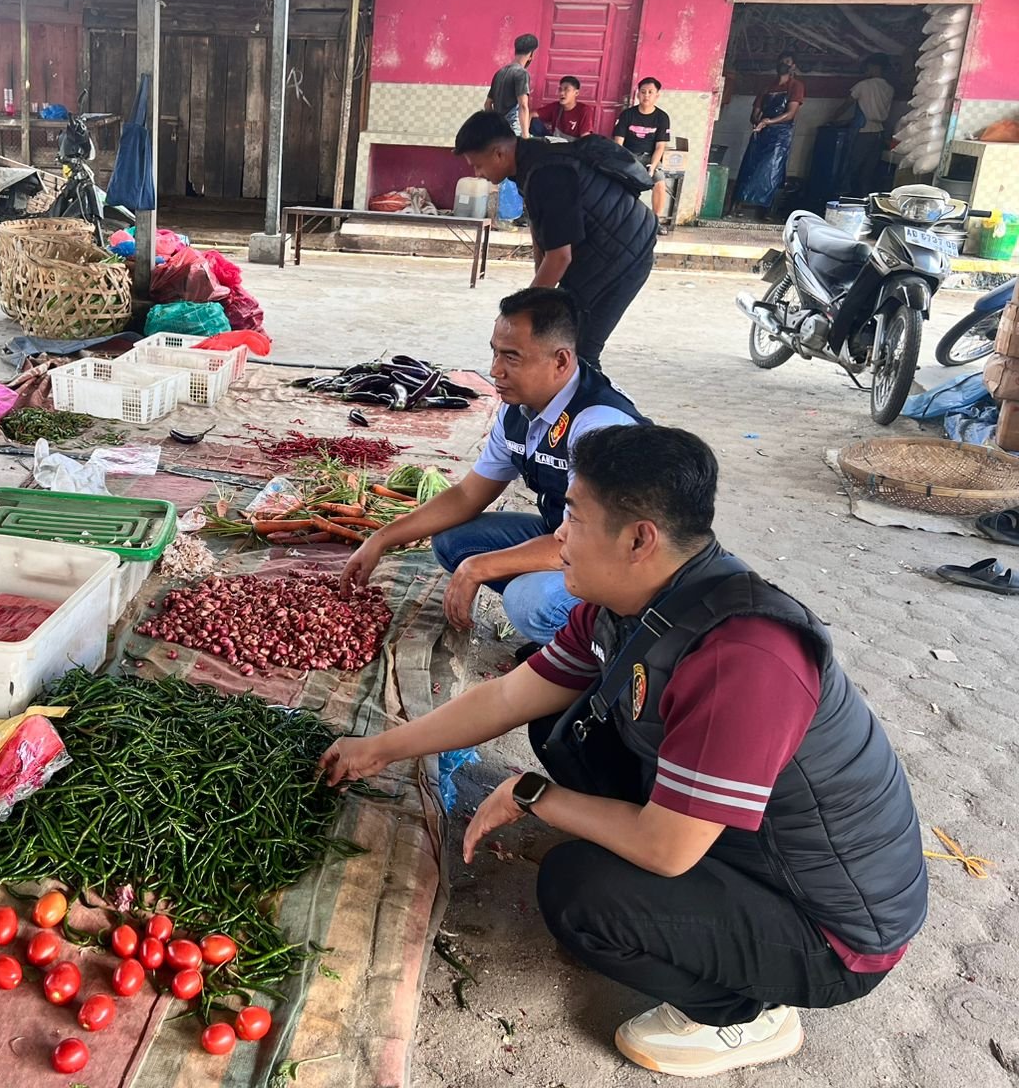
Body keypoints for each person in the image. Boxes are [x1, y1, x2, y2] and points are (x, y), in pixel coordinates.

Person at [322, 424, 927, 1080]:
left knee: (580, 891)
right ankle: (697, 920)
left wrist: (534, 797)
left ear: (640, 538)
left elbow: (668, 850)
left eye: (574, 518)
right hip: (748, 849)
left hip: (833, 931)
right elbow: (507, 699)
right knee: (567, 728)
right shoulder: (633, 601)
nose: (557, 536)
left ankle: (744, 1015)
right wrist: (380, 747)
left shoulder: (742, 659)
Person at [342, 288, 644, 650]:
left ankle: (606, 646)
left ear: (561, 361)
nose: (494, 370)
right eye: (495, 352)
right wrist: (381, 539)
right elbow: (468, 495)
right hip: (564, 536)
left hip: (621, 567)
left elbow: (592, 543)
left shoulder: (599, 426)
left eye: (512, 357)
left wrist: (481, 568)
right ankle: (572, 628)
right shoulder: (518, 409)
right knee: (455, 542)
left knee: (528, 602)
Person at [454, 109, 658, 368]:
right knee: (560, 336)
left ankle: (591, 406)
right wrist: (536, 301)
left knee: (578, 349)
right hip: (601, 249)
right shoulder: (529, 162)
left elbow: (560, 257)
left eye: (477, 165)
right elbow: (544, 239)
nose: (477, 174)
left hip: (625, 253)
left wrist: (522, 313)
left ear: (498, 153)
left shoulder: (546, 173)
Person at [734, 50, 805, 218]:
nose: (783, 64)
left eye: (787, 61)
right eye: (781, 61)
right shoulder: (767, 87)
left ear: (793, 66)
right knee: (749, 167)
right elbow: (755, 111)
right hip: (761, 132)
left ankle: (766, 210)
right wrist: (757, 121)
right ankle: (736, 206)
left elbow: (791, 113)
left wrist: (769, 122)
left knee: (772, 170)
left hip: (780, 135)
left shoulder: (796, 86)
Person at [613, 77, 672, 218]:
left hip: (649, 158)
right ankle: (620, 218)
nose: (646, 95)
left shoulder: (662, 117)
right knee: (619, 183)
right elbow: (618, 142)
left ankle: (655, 220)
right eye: (643, 92)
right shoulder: (627, 115)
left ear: (657, 95)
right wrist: (621, 163)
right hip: (628, 156)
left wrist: (653, 165)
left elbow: (660, 146)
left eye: (650, 92)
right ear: (638, 94)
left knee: (660, 183)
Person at [838, 54, 893, 196]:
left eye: (868, 67)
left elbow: (847, 104)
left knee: (851, 166)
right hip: (879, 133)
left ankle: (843, 196)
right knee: (868, 170)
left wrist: (830, 118)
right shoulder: (889, 88)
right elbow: (873, 109)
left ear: (875, 67)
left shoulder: (863, 85)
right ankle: (864, 198)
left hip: (863, 132)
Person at [485, 33, 538, 138]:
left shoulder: (500, 72)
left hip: (500, 131)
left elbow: (487, 104)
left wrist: (497, 124)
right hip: (515, 132)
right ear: (531, 55)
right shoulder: (521, 74)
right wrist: (525, 135)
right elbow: (523, 105)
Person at [534, 76, 595, 140]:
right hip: (554, 144)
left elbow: (585, 139)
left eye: (566, 89)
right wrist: (525, 135)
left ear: (576, 93)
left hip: (573, 147)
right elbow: (530, 114)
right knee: (533, 121)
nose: (562, 93)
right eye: (560, 89)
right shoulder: (556, 106)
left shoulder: (584, 110)